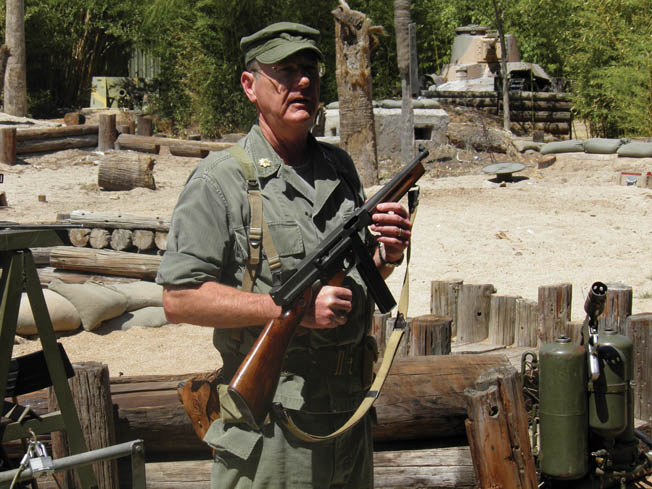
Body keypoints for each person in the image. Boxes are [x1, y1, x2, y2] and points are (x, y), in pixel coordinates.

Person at [156, 21, 412, 489]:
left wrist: (386, 259)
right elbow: (180, 299)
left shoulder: (340, 168)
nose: (305, 83)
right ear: (250, 86)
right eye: (286, 71)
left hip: (347, 419)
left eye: (311, 71)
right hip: (273, 430)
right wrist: (288, 309)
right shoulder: (220, 182)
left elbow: (353, 281)